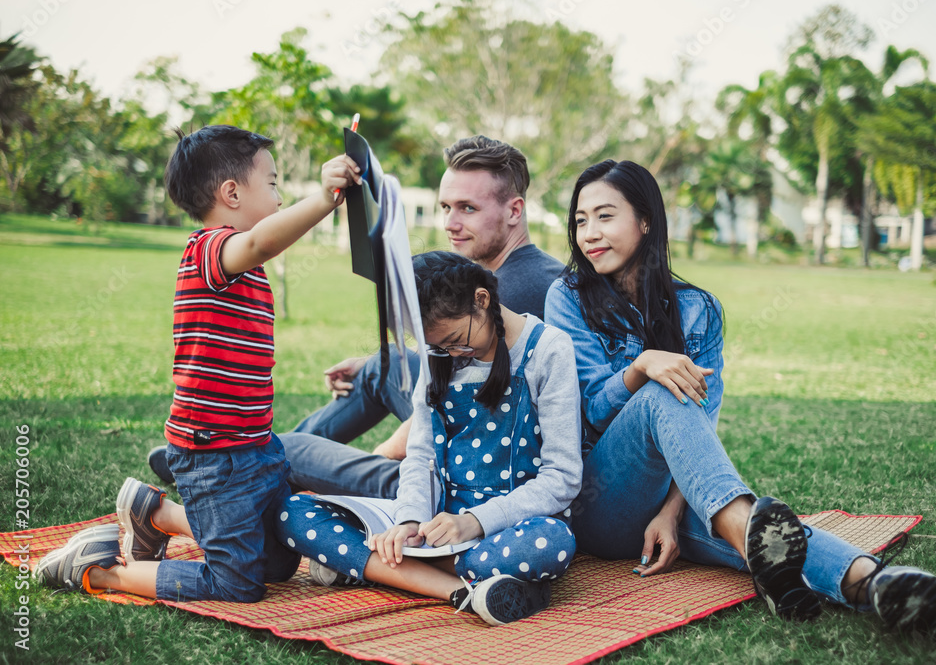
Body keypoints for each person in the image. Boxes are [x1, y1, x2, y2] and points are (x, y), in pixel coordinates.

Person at [543, 159, 936, 634]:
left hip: (675, 498)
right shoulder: (568, 297)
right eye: (580, 220)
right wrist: (642, 365)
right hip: (601, 501)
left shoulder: (698, 309)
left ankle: (874, 584)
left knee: (740, 522)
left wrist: (672, 511)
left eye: (605, 215)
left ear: (646, 221)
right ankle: (755, 538)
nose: (589, 233)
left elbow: (702, 421)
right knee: (664, 394)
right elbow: (594, 408)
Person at [34, 125, 361, 602]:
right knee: (239, 583)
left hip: (257, 447)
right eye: (271, 183)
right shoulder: (210, 251)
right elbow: (262, 242)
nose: (278, 194)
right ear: (231, 193)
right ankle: (99, 571)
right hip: (214, 457)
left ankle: (154, 513)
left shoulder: (239, 262)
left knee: (280, 560)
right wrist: (325, 199)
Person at [146, 136, 564, 497]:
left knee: (278, 449)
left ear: (515, 211)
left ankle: (235, 466)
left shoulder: (515, 293)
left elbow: (455, 404)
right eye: (445, 207)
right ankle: (226, 463)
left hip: (472, 468)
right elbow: (451, 361)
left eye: (468, 209)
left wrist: (372, 459)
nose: (450, 224)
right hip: (460, 436)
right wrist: (376, 363)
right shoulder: (497, 275)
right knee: (384, 365)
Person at [276, 251, 581, 625]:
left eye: (456, 341)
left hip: (505, 528)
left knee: (552, 543)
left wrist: (474, 522)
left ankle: (372, 567)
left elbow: (562, 478)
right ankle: (462, 588)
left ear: (482, 300)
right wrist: (407, 522)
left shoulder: (549, 350)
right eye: (438, 348)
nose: (453, 355)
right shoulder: (440, 353)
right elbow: (421, 457)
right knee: (294, 512)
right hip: (434, 527)